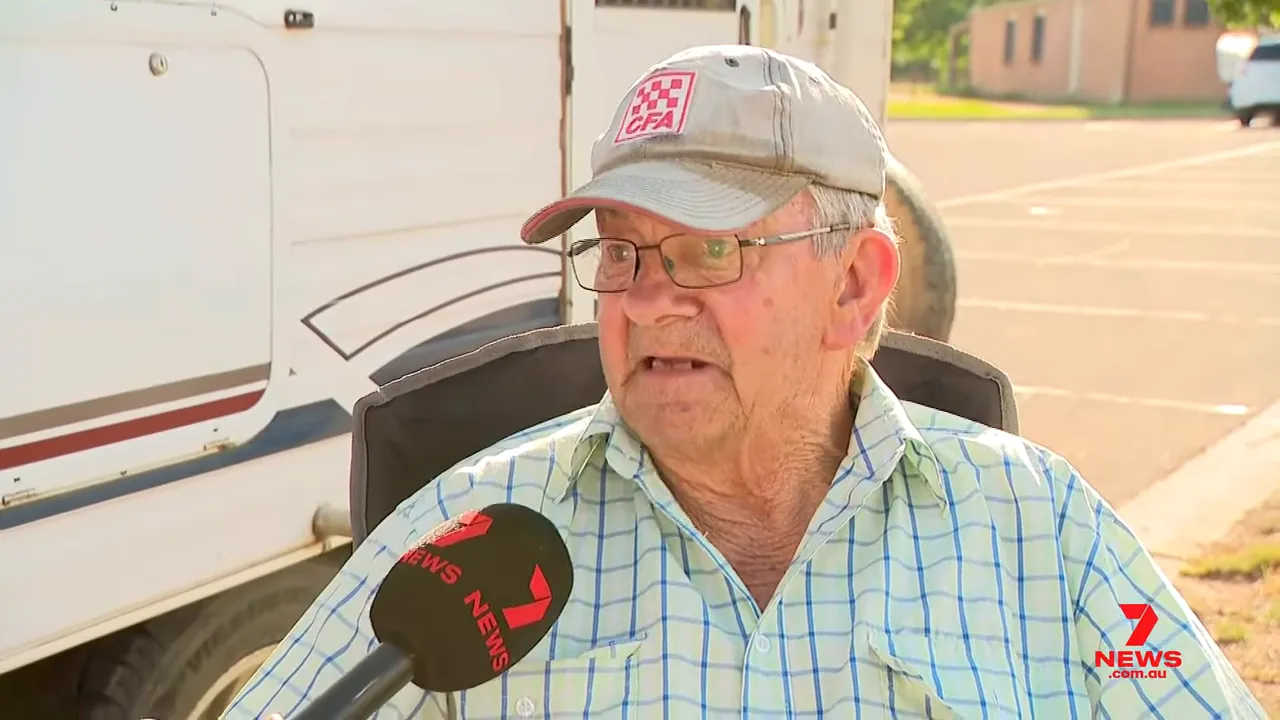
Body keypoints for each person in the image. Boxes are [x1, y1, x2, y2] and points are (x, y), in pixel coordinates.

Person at [228, 45, 1263, 719]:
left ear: (854, 287)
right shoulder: (473, 529)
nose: (646, 299)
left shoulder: (1037, 523)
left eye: (706, 251)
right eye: (623, 253)